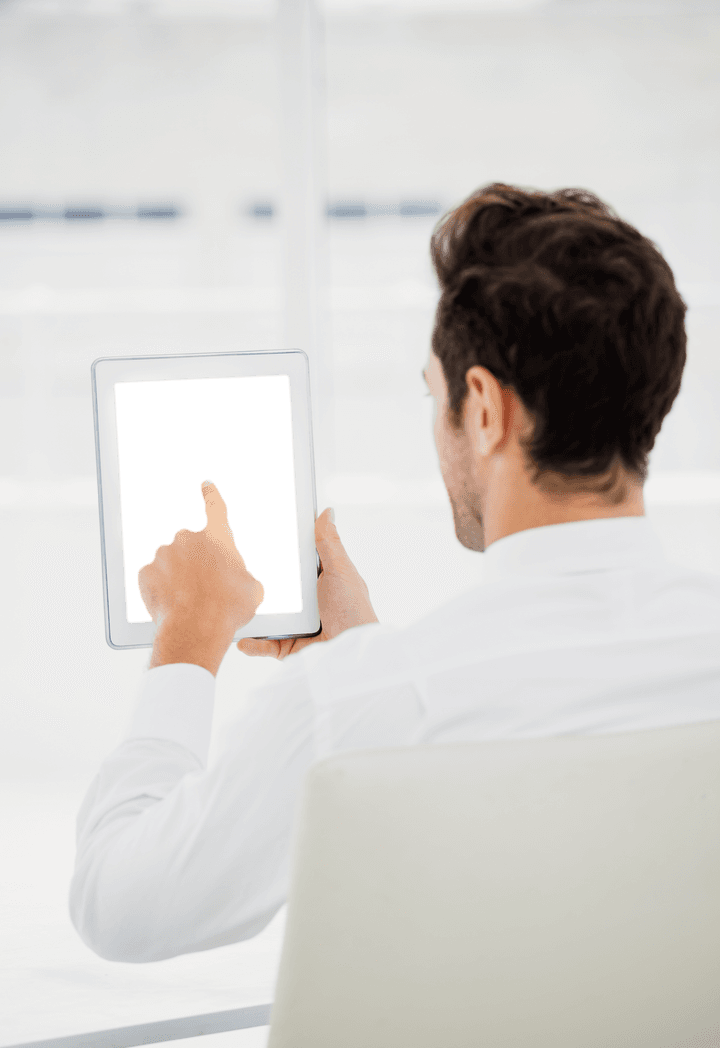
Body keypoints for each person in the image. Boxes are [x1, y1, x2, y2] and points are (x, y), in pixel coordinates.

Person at [70, 183, 720, 962]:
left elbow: (119, 905)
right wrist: (360, 653)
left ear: (483, 408)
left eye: (432, 395)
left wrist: (189, 637)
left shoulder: (354, 707)